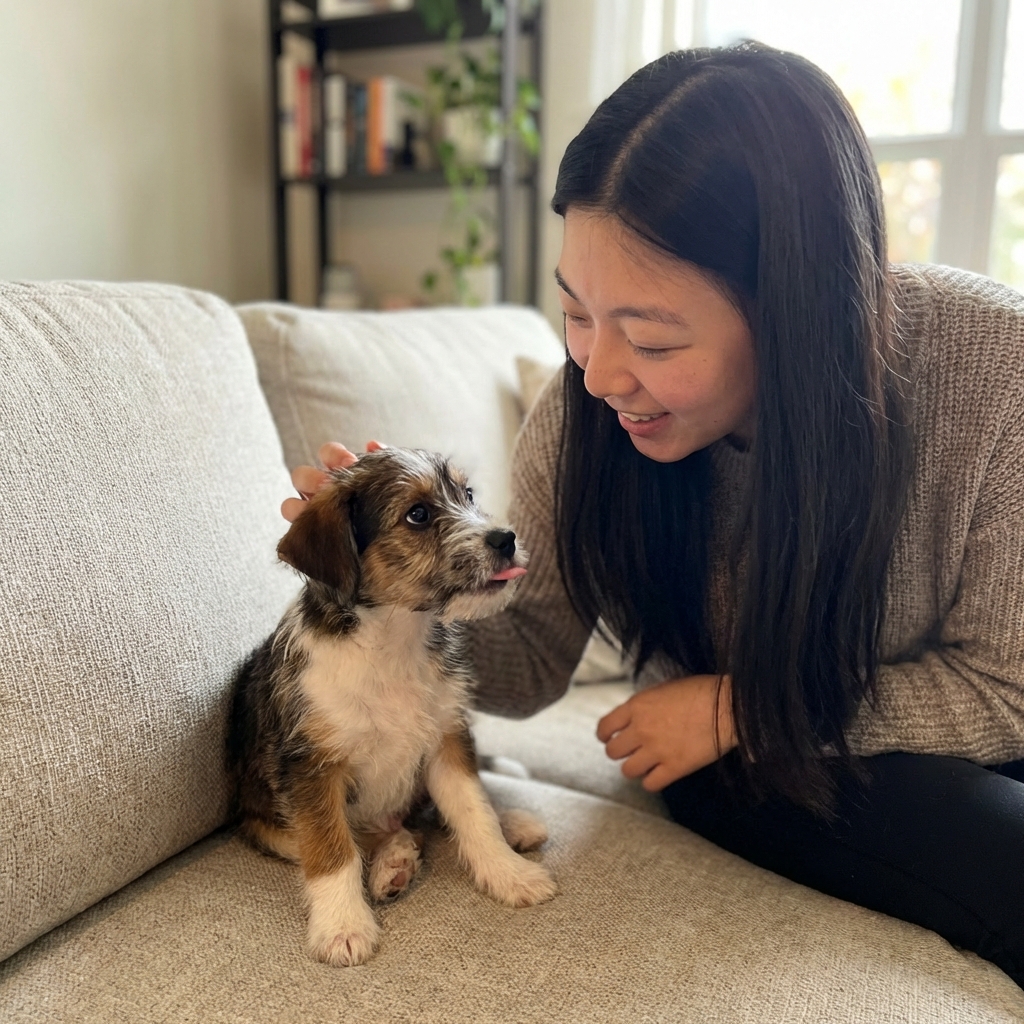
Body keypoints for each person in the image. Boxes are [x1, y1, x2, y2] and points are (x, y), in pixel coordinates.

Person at [283, 43, 1024, 987]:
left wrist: (739, 704)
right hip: (736, 764)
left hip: (788, 714)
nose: (598, 374)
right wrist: (394, 587)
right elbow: (524, 660)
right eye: (576, 312)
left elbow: (1008, 691)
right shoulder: (583, 410)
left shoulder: (997, 372)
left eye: (651, 336)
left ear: (801, 311)